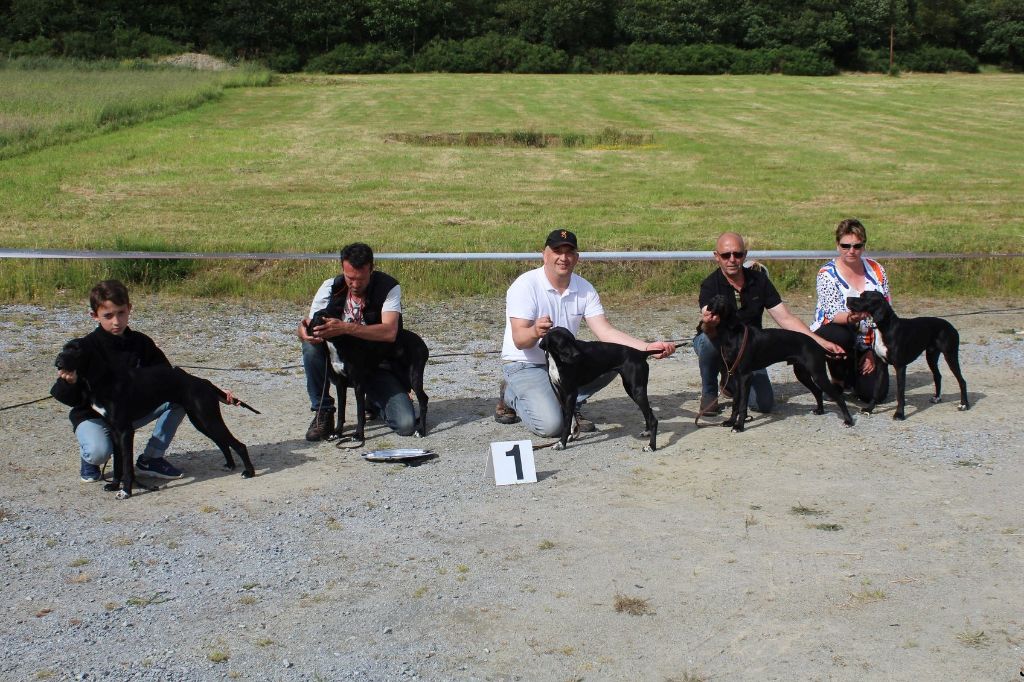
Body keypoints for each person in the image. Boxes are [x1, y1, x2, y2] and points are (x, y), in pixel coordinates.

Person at [495, 229, 677, 437]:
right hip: (526, 364)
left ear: (577, 258)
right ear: (544, 254)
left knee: (615, 358)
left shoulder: (585, 288)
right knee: (552, 427)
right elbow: (519, 340)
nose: (563, 257)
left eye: (569, 252)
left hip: (564, 362)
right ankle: (511, 394)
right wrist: (535, 331)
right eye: (557, 251)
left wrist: (646, 348)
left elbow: (605, 331)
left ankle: (569, 404)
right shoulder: (524, 285)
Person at [50, 280, 187, 482]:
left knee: (181, 398)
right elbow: (66, 397)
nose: (116, 321)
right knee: (99, 451)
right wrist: (69, 382)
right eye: (108, 315)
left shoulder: (141, 343)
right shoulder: (83, 348)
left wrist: (215, 392)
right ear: (94, 316)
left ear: (129, 309)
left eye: (121, 313)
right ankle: (90, 458)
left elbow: (169, 378)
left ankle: (152, 458)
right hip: (93, 415)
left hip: (129, 411)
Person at [695, 232, 845, 415]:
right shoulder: (710, 284)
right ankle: (710, 393)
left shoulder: (759, 280)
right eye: (726, 255)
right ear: (716, 257)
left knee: (763, 404)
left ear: (745, 254)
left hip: (749, 347)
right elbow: (707, 320)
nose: (732, 259)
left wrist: (819, 341)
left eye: (738, 254)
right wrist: (710, 322)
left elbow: (785, 318)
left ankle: (730, 383)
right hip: (719, 340)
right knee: (707, 342)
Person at [298, 242, 417, 441]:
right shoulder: (330, 287)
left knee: (406, 424)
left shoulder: (388, 288)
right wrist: (303, 331)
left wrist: (345, 327)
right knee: (310, 347)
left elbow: (389, 332)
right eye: (349, 278)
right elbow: (309, 325)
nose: (354, 284)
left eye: (360, 279)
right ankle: (323, 411)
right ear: (342, 269)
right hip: (342, 366)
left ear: (371, 269)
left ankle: (376, 401)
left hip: (377, 366)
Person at [810, 218, 891, 402]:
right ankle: (838, 379)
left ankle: (858, 374)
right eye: (846, 246)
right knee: (839, 335)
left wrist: (873, 351)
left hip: (869, 338)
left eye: (857, 246)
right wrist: (856, 317)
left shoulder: (877, 270)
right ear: (837, 245)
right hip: (839, 331)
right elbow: (833, 314)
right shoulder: (826, 274)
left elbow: (885, 313)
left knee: (874, 396)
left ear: (863, 246)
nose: (851, 251)